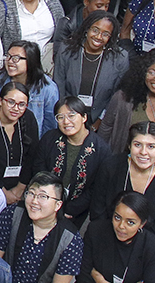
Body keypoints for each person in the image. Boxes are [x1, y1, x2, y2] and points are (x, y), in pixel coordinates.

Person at [87, 122, 155, 240]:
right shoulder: (110, 167)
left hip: (144, 242)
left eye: (151, 146)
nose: (143, 152)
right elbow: (97, 211)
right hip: (106, 236)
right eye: (137, 145)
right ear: (129, 146)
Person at [28, 97, 110, 228]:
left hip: (75, 212)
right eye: (60, 117)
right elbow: (38, 168)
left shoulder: (101, 149)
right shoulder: (49, 138)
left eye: (71, 115)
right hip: (44, 203)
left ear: (84, 117)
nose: (66, 122)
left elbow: (97, 186)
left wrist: (72, 209)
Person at [52, 11, 128, 123]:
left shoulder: (120, 58)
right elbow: (59, 84)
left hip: (100, 119)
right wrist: (65, 115)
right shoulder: (67, 49)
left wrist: (100, 121)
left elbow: (116, 95)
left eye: (105, 34)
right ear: (87, 29)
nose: (98, 37)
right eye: (95, 30)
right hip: (68, 116)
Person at [0, 41, 59, 135]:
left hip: (33, 142)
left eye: (16, 58)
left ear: (30, 61)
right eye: (8, 56)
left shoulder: (48, 88)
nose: (10, 61)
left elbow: (50, 126)